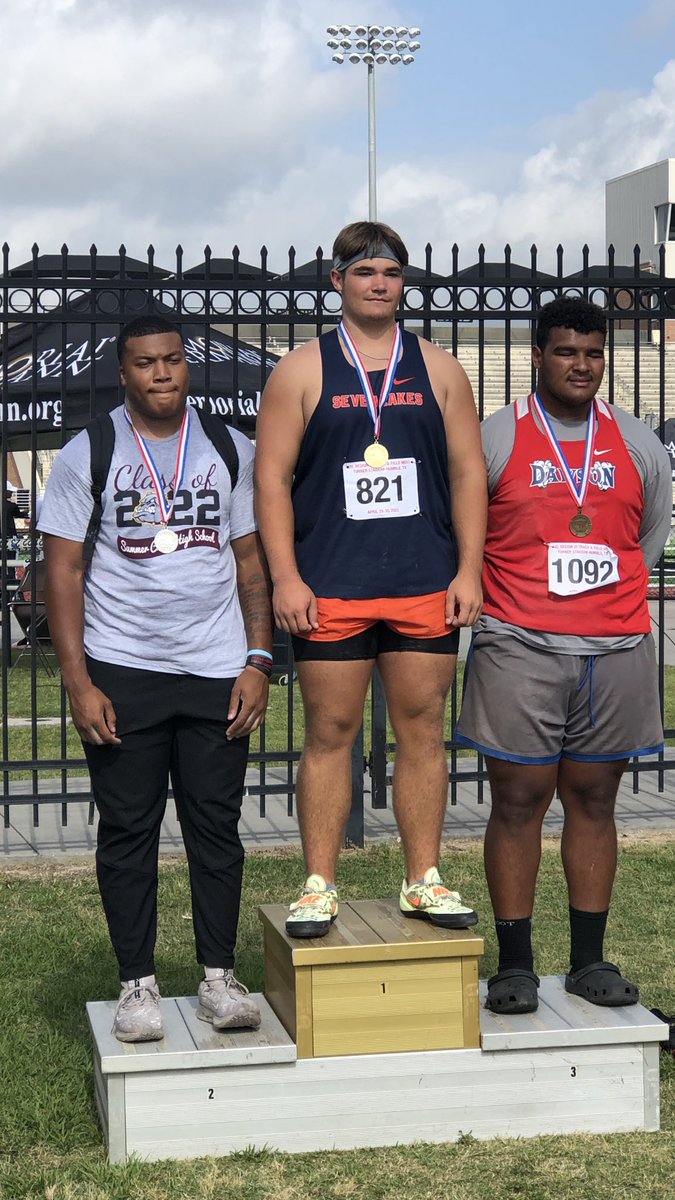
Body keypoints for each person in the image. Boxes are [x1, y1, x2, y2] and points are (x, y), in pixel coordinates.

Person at [39, 315, 273, 1041]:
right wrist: (79, 682)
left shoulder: (232, 449)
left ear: (187, 366)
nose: (161, 374)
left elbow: (250, 566)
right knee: (129, 833)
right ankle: (136, 985)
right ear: (123, 372)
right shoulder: (90, 451)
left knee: (216, 832)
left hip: (214, 670)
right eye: (145, 363)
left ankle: (217, 979)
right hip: (122, 668)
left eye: (172, 360)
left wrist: (259, 660)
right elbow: (63, 570)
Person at [254, 220, 487, 937]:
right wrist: (285, 577)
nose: (378, 283)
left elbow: (466, 470)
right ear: (337, 283)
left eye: (388, 272)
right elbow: (270, 476)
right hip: (330, 583)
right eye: (363, 273)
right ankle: (319, 882)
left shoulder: (439, 368)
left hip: (422, 578)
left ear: (402, 284)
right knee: (330, 731)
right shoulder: (300, 369)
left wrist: (469, 569)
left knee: (422, 732)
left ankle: (423, 878)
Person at [456, 296, 672, 1013]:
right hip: (518, 643)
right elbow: (471, 535)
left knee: (593, 799)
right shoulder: (496, 437)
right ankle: (513, 965)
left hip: (612, 647)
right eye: (565, 352)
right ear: (537, 356)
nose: (580, 365)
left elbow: (642, 543)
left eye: (591, 352)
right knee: (517, 802)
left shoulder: (637, 443)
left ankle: (589, 960)